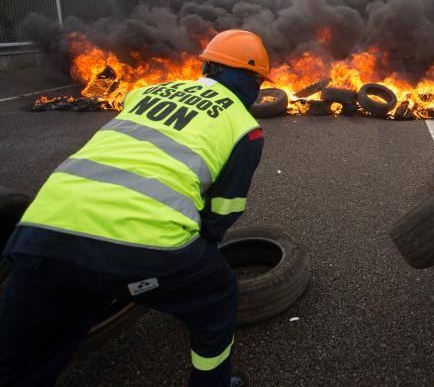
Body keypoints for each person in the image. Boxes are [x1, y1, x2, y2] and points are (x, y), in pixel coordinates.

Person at [0, 29, 271, 387]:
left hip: (39, 231)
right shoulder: (243, 127)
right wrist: (197, 255)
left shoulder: (147, 92)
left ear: (208, 67)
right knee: (218, 294)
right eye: (258, 81)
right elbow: (223, 212)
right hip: (139, 245)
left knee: (20, 360)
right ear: (249, 79)